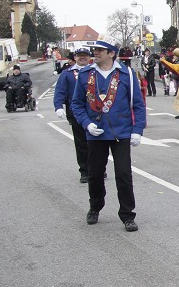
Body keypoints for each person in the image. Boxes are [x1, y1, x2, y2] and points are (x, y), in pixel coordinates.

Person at [70, 39, 146, 232]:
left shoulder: (125, 74)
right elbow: (77, 104)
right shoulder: (86, 74)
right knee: (95, 174)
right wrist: (87, 124)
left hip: (121, 131)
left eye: (100, 50)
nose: (95, 53)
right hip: (96, 133)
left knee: (123, 174)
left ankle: (128, 215)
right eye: (95, 50)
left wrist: (137, 131)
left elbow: (137, 103)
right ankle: (95, 206)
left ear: (111, 53)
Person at [54, 47, 93, 182]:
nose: (83, 58)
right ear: (75, 58)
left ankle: (99, 169)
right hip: (76, 112)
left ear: (89, 58)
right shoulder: (67, 74)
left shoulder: (95, 71)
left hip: (95, 112)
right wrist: (58, 107)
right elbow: (60, 91)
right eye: (80, 56)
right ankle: (85, 171)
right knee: (81, 142)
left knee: (97, 143)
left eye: (85, 56)